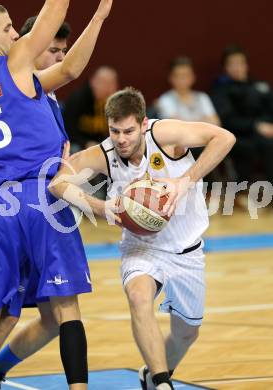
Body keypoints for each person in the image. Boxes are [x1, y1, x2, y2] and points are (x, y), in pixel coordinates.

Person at [49, 87, 236, 389]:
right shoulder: (105, 153)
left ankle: (151, 377)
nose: (121, 139)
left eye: (128, 131)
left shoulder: (165, 134)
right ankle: (162, 383)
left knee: (187, 333)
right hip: (141, 248)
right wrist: (100, 207)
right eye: (114, 131)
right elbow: (58, 183)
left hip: (186, 250)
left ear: (143, 123)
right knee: (138, 297)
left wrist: (183, 182)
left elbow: (225, 137)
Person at [0, 1, 113, 388]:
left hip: (1, 204)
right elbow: (54, 15)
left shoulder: (29, 83)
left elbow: (70, 69)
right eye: (8, 27)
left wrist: (98, 18)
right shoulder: (14, 66)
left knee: (7, 313)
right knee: (66, 306)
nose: (15, 35)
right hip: (39, 198)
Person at [212, 45, 273, 184]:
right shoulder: (221, 90)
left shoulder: (260, 85)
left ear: (246, 65)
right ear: (225, 68)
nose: (237, 67)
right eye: (232, 64)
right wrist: (256, 126)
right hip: (242, 133)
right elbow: (227, 120)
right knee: (266, 146)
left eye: (240, 63)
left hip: (268, 129)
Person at [63, 65, 119, 150]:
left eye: (113, 84)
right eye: (106, 83)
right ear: (93, 81)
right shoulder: (78, 99)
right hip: (76, 144)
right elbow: (67, 131)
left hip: (98, 145)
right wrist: (86, 143)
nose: (111, 89)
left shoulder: (110, 102)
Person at [155, 56, 220, 125]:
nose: (182, 79)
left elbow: (216, 122)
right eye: (178, 76)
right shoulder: (165, 99)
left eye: (186, 75)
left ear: (193, 77)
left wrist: (185, 122)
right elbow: (176, 126)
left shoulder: (202, 96)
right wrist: (203, 121)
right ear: (171, 78)